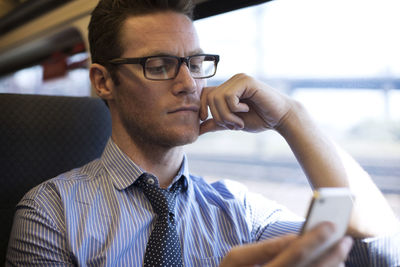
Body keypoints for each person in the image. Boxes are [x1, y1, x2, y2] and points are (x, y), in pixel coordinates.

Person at [6, 0, 400, 266]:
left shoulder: (237, 209)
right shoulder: (52, 212)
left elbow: (374, 247)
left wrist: (292, 120)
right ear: (104, 81)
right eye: (159, 65)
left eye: (194, 63)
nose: (189, 84)